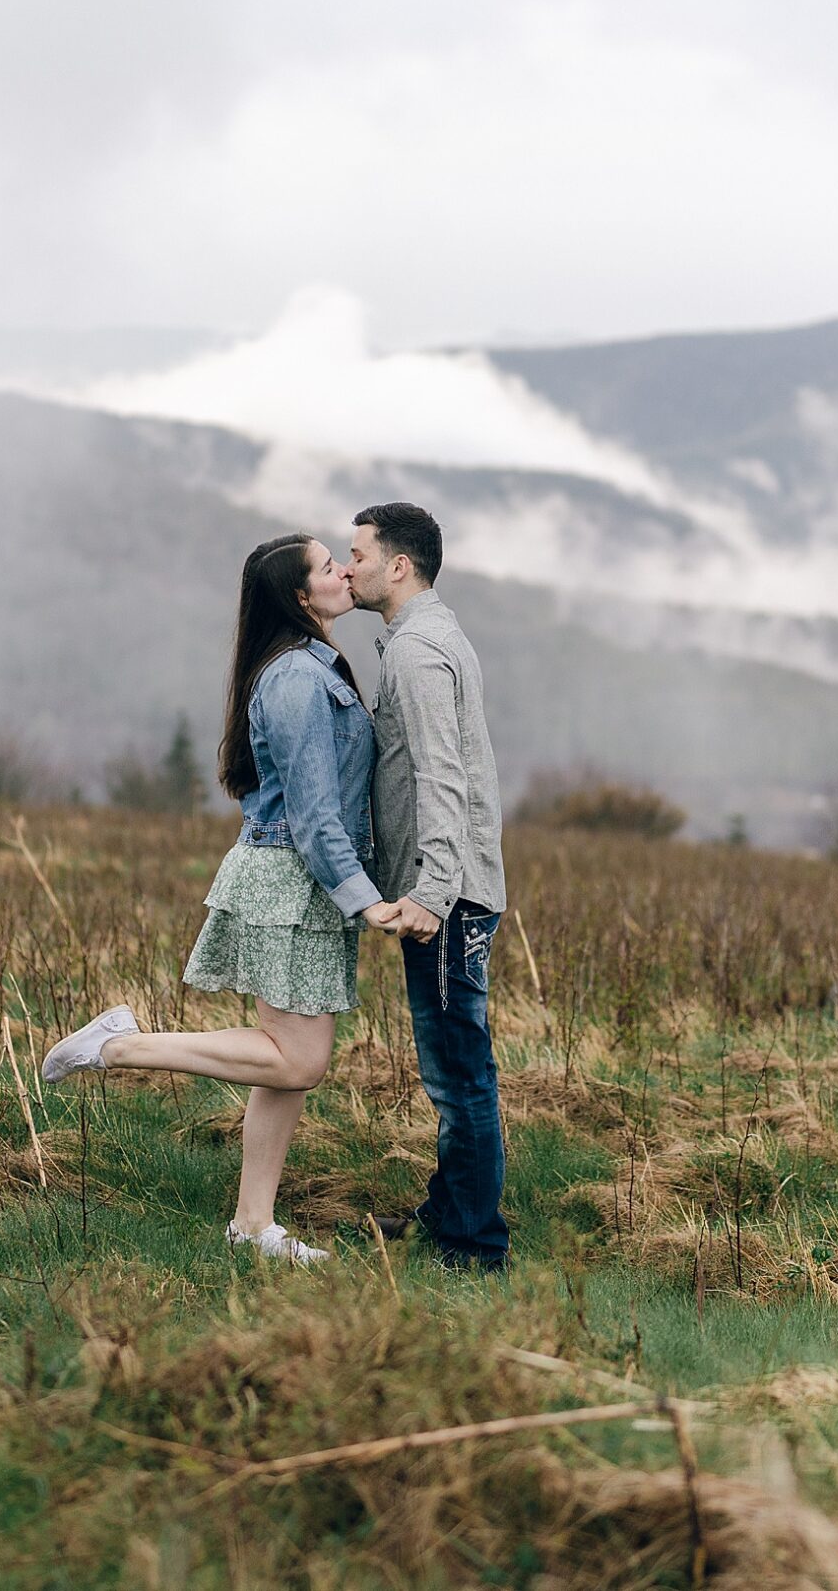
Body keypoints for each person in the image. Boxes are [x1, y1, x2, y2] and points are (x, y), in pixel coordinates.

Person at [42, 532, 400, 1266]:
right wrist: (365, 900)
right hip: (290, 883)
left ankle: (252, 1225)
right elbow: (312, 812)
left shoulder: (309, 664)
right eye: (330, 566)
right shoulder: (298, 679)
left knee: (282, 1062)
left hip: (299, 883)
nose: (345, 572)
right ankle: (115, 1045)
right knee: (296, 1061)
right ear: (303, 597)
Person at [348, 502, 511, 1272]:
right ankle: (449, 1210)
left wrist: (433, 891)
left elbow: (442, 778)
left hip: (445, 897)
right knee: (455, 1063)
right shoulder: (429, 637)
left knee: (459, 1074)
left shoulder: (417, 652)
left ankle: (474, 1247)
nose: (348, 569)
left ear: (398, 566)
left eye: (358, 555)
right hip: (452, 889)